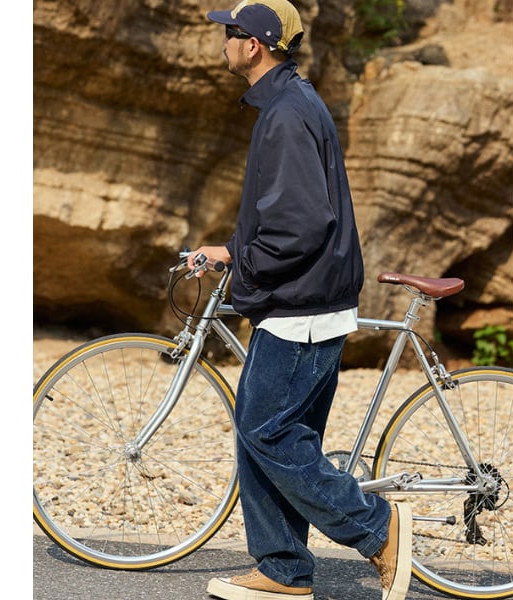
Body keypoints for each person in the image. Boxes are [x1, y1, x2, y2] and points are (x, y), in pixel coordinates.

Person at [188, 2, 412, 599]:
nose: (223, 40)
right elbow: (280, 214)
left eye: (230, 32)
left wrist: (243, 264)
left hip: (301, 307)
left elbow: (300, 226)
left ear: (255, 44)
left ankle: (378, 529)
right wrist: (232, 250)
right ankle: (283, 570)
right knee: (270, 432)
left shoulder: (286, 114)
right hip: (303, 300)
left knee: (265, 431)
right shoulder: (290, 102)